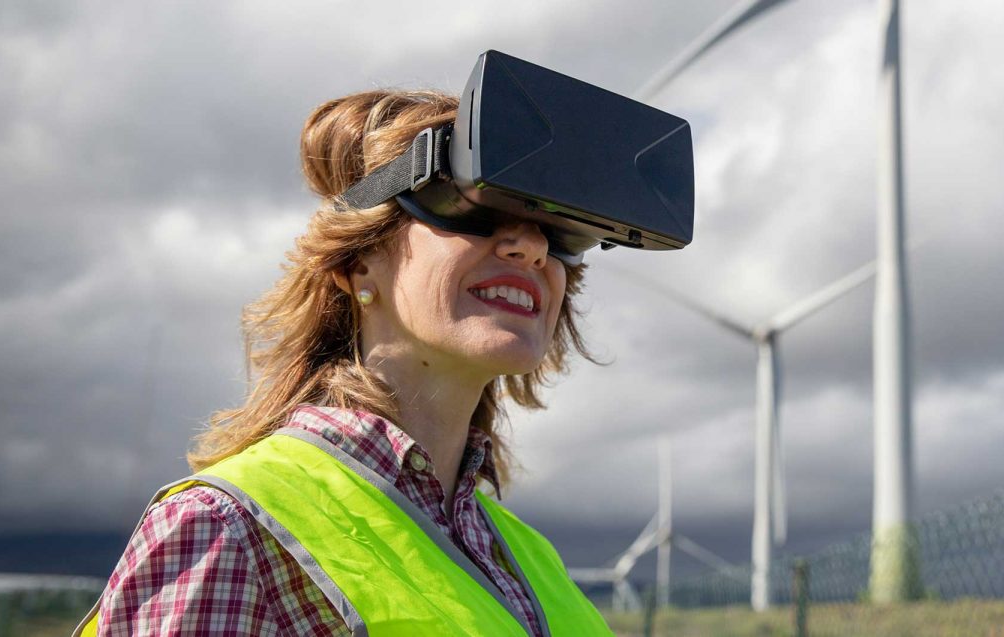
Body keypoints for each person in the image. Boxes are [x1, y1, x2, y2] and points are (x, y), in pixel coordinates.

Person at [77, 88, 612, 636]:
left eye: (557, 228)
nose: (531, 248)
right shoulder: (228, 530)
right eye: (472, 207)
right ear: (358, 265)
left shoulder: (532, 558)